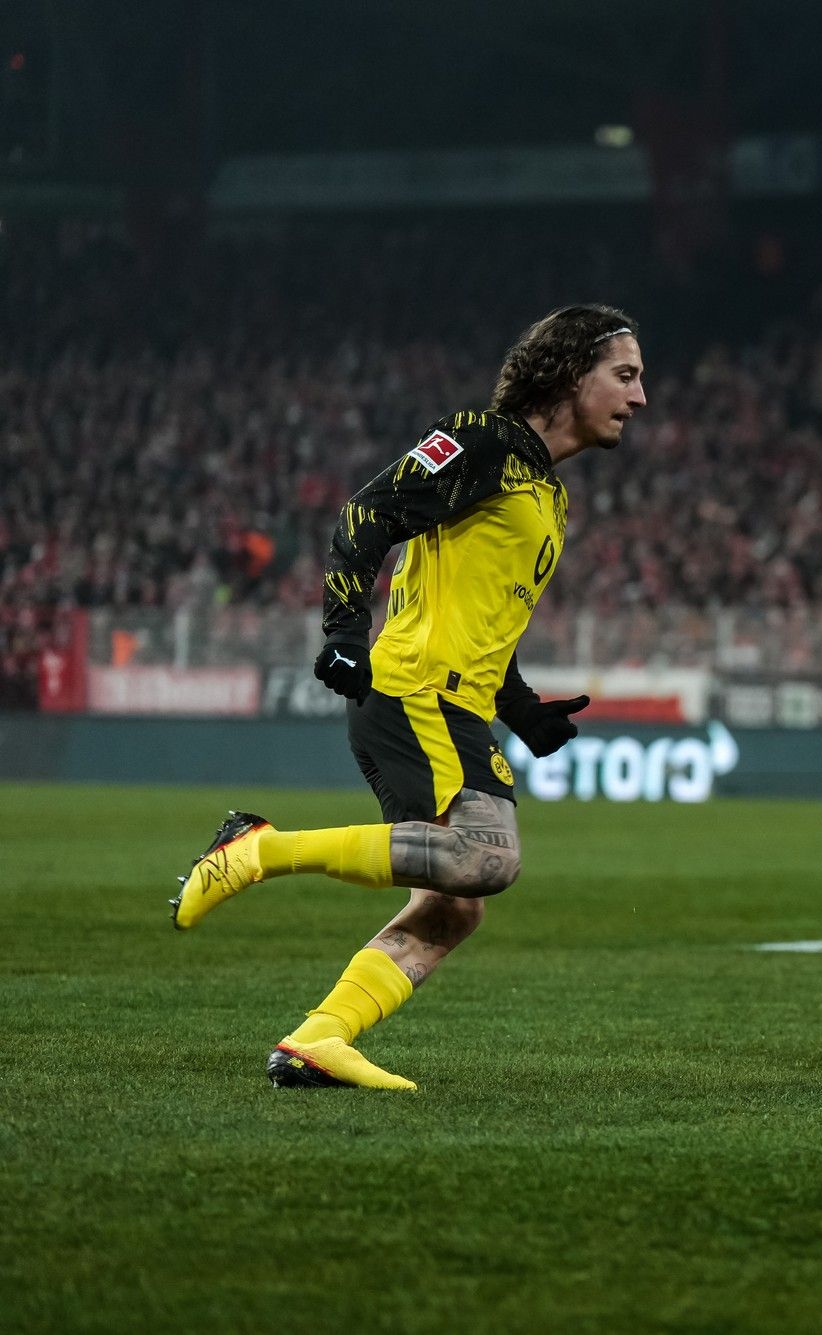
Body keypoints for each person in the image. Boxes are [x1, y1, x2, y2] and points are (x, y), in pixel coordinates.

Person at [169, 305, 647, 1089]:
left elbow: (488, 614)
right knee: (486, 857)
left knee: (456, 903)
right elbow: (368, 511)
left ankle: (319, 1037)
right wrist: (344, 629)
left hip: (456, 700)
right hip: (413, 689)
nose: (640, 396)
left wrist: (522, 708)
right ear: (568, 374)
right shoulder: (484, 440)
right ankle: (256, 849)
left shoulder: (550, 494)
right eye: (624, 375)